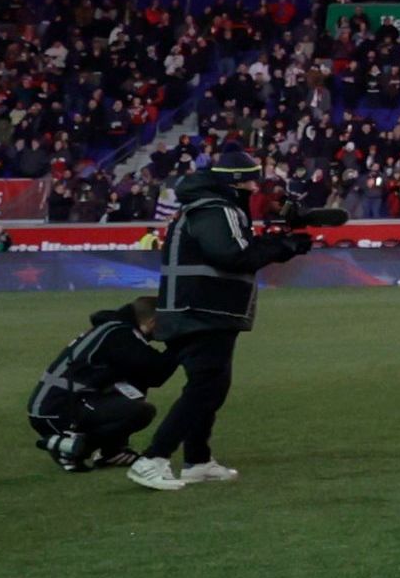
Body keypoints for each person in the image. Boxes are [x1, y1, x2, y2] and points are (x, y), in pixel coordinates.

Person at [135, 155, 321, 491]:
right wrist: (282, 246)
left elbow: (233, 249)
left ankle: (197, 459)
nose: (254, 189)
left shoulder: (206, 206)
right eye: (250, 182)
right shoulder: (216, 209)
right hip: (202, 310)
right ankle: (153, 458)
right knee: (205, 389)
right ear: (234, 181)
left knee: (210, 388)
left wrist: (279, 243)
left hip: (198, 309)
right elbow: (231, 254)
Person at [32, 296, 174, 472]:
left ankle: (112, 452)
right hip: (59, 408)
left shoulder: (114, 328)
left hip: (59, 402)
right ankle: (70, 446)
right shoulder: (120, 334)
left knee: (134, 386)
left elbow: (147, 376)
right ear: (153, 321)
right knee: (141, 412)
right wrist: (181, 345)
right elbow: (157, 373)